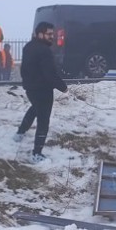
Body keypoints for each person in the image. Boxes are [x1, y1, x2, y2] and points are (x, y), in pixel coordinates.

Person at [16, 21, 69, 161]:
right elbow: (50, 74)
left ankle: (20, 133)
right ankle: (37, 153)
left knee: (35, 108)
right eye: (49, 34)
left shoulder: (28, 47)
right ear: (40, 34)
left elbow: (24, 69)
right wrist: (63, 87)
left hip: (31, 88)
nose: (52, 36)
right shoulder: (44, 51)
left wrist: (27, 83)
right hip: (43, 90)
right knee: (43, 121)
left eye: (53, 34)